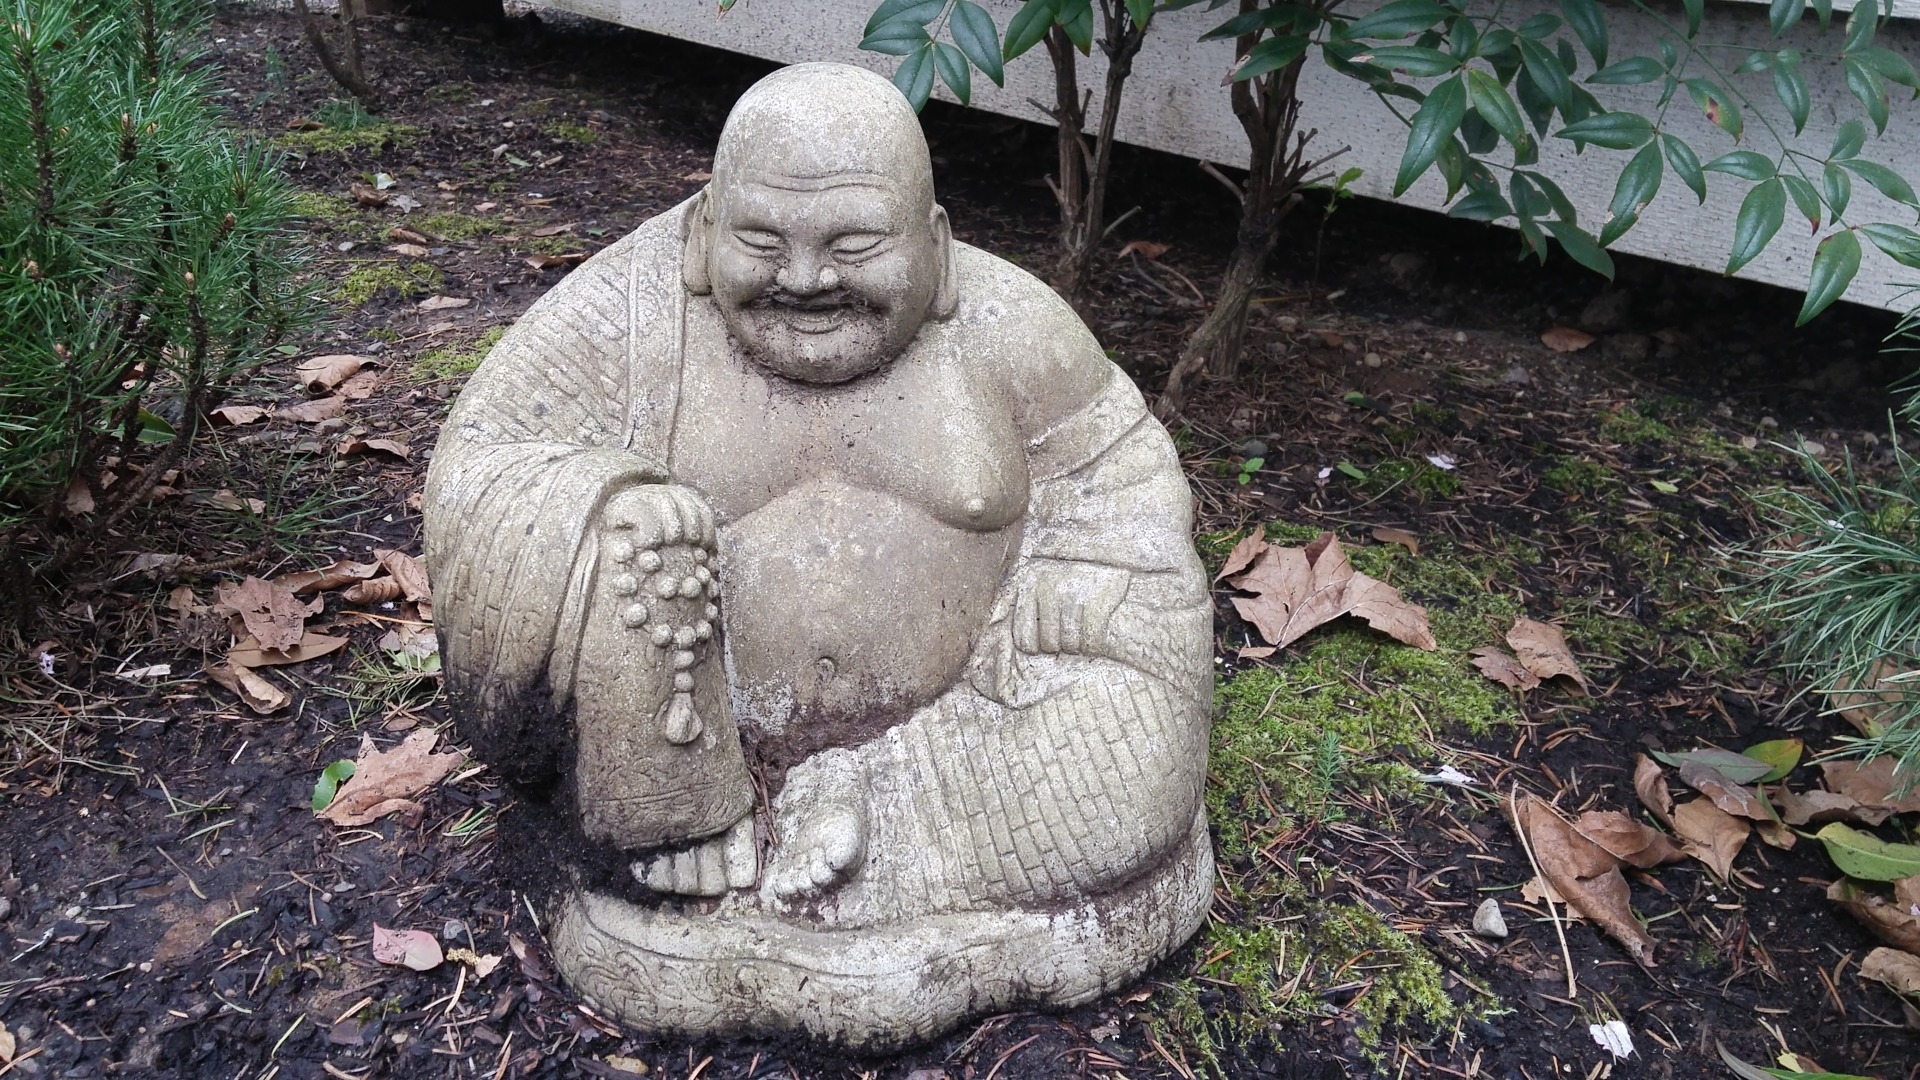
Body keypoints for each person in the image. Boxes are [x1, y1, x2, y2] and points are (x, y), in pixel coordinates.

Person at [424, 62, 1214, 1046]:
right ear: (703, 234)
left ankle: (890, 803)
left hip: (980, 717)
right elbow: (486, 462)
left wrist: (1085, 578)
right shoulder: (619, 321)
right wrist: (602, 518)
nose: (805, 280)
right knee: (609, 523)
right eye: (762, 243)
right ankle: (673, 820)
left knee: (1132, 759)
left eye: (854, 245)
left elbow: (1118, 471)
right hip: (690, 746)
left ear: (935, 246)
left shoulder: (1013, 330)